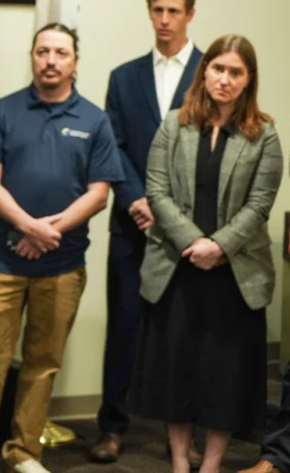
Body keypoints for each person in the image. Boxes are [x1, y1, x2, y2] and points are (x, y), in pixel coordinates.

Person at [0, 22, 123, 473]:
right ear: (32, 57)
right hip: (3, 262)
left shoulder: (94, 120)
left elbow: (99, 194)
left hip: (62, 264)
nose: (51, 60)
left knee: (42, 364)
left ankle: (23, 452)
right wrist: (28, 226)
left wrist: (47, 232)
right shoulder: (4, 110)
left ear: (75, 61)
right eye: (42, 51)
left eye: (60, 52)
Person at [129, 35, 283, 473]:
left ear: (248, 79)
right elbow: (157, 191)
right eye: (218, 68)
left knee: (224, 378)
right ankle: (180, 463)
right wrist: (193, 243)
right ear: (205, 71)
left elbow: (260, 204)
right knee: (176, 374)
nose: (225, 79)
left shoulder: (264, 134)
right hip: (178, 270)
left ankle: (211, 465)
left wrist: (218, 247)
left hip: (234, 275)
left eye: (236, 72)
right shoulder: (174, 125)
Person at [91, 0, 203, 464]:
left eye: (173, 10)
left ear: (190, 14)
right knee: (124, 328)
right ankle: (112, 428)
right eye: (157, 10)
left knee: (185, 334)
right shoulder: (124, 76)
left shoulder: (211, 72)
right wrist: (138, 200)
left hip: (191, 229)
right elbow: (112, 146)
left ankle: (184, 435)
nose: (164, 20)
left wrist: (169, 212)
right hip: (131, 224)